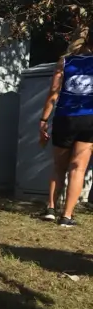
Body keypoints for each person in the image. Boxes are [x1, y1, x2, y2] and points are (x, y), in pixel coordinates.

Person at [39, 25, 93, 227]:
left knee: (58, 166)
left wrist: (43, 121)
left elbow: (53, 93)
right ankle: (67, 216)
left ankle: (51, 208)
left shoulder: (65, 62)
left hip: (64, 117)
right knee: (78, 169)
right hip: (89, 120)